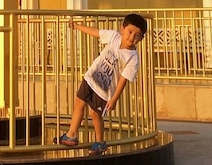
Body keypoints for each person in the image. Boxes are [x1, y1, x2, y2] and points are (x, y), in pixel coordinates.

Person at [55, 13, 148, 155]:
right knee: (79, 102)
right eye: (130, 32)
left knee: (95, 113)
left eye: (137, 35)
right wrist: (77, 26)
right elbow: (96, 33)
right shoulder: (114, 37)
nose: (131, 38)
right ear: (122, 29)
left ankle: (99, 142)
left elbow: (123, 80)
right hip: (91, 77)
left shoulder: (133, 59)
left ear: (141, 38)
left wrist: (114, 98)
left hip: (104, 90)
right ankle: (71, 134)